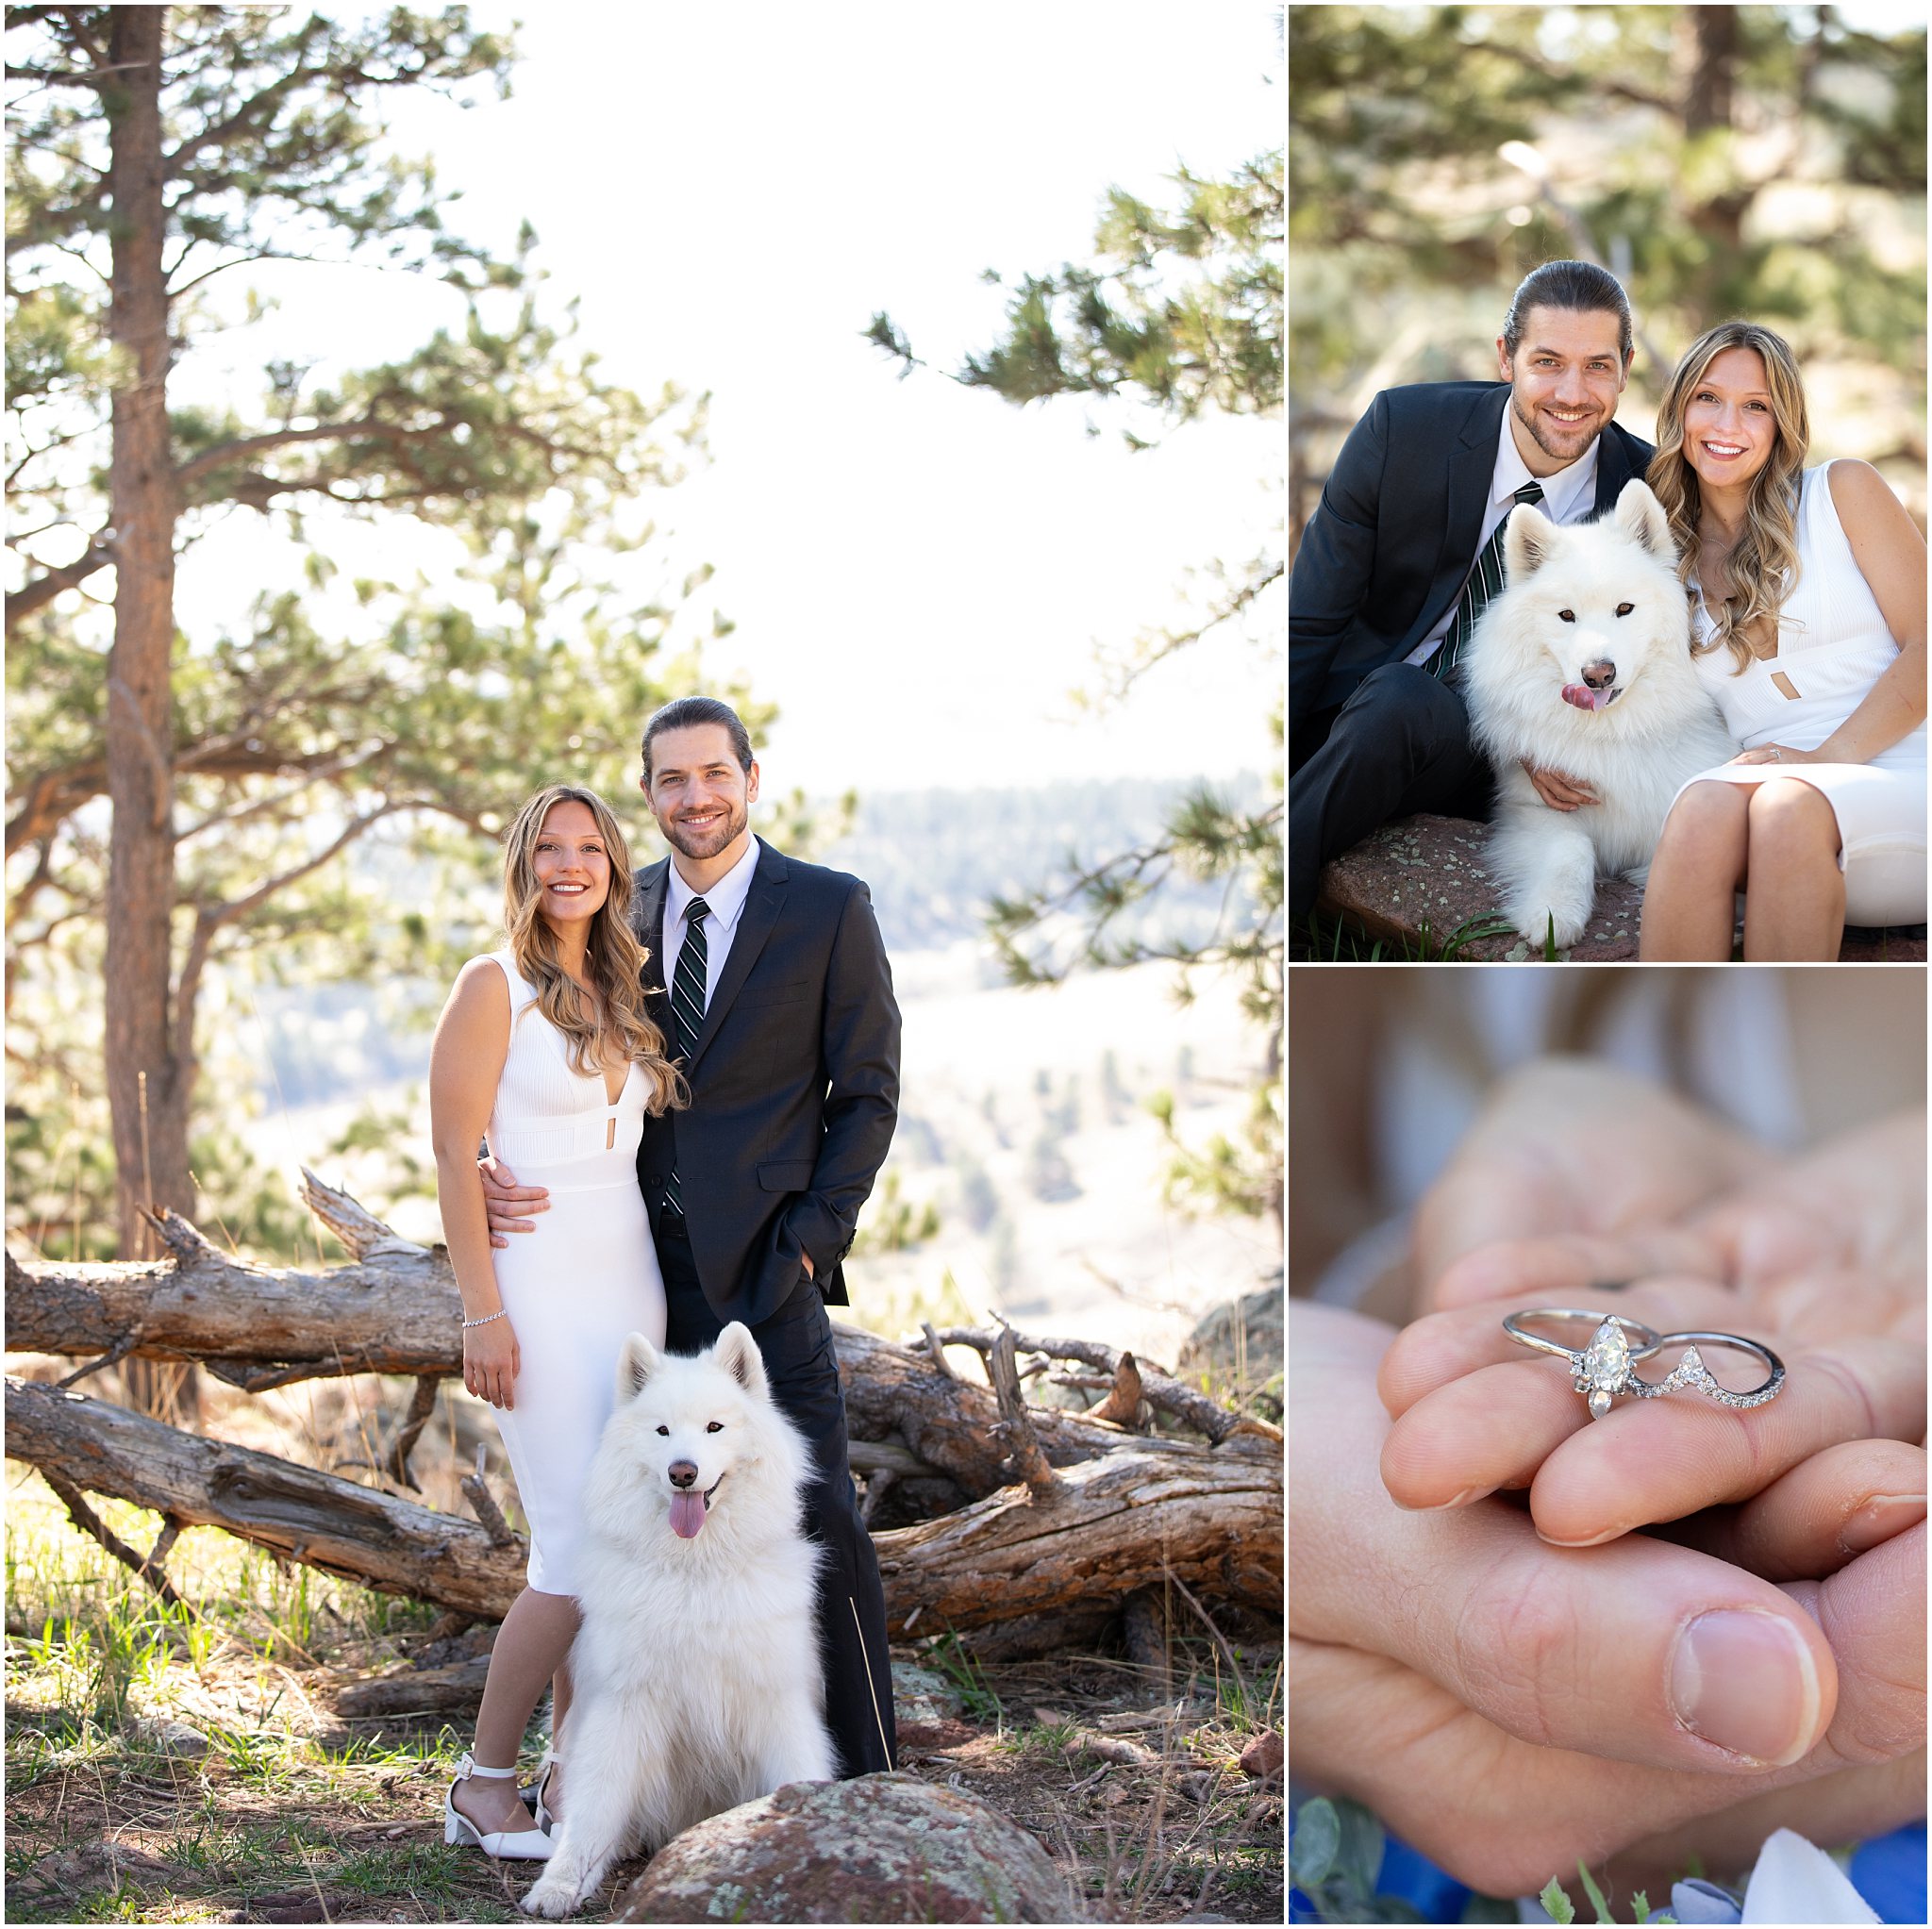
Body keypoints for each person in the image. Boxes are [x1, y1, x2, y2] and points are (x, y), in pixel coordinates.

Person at [482, 696, 902, 1782]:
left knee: (819, 1516)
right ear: (650, 794)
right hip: (633, 1284)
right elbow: (537, 1059)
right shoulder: (623, 918)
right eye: (670, 780)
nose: (693, 797)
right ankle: (658, 1770)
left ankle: (865, 1773)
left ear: (750, 779)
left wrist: (812, 1239)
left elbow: (866, 1091)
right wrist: (490, 1164)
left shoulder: (826, 908)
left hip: (769, 1275)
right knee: (631, 1534)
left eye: (712, 773)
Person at [429, 783, 687, 1860]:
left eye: (590, 846)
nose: (570, 864)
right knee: (572, 1548)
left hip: (629, 1283)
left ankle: (570, 1777)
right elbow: (452, 1152)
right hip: (533, 1291)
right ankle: (481, 1786)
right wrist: (481, 1310)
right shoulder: (492, 986)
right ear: (524, 863)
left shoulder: (624, 979)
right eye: (550, 847)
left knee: (618, 1537)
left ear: (614, 864)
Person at [1290, 259, 1657, 920]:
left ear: (1626, 369)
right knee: (1391, 696)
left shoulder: (1645, 492)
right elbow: (1308, 621)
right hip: (1352, 717)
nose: (1572, 392)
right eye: (1547, 360)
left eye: (1598, 365)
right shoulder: (1402, 431)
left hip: (1498, 763)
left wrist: (1532, 738)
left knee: (1401, 700)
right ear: (1504, 357)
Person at [1638, 321, 1928, 959]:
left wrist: (1827, 758)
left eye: (1756, 407)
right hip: (1776, 789)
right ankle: (1661, 1050)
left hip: (1908, 771)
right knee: (1700, 807)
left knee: (1787, 809)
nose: (1726, 424)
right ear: (1680, 408)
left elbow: (1926, 649)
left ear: (1781, 426)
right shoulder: (1660, 561)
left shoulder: (1841, 493)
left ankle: (1780, 1054)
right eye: (1708, 398)